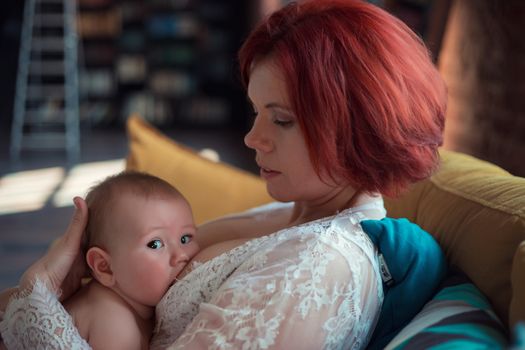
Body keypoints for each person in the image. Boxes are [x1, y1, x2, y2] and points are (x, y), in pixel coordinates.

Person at [0, 0, 447, 349]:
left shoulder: (314, 270)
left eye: (282, 119)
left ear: (358, 126)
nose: (253, 138)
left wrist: (36, 297)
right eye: (257, 113)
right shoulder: (296, 212)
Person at [60, 171, 199, 349]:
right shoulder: (114, 322)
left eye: (185, 238)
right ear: (105, 267)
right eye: (155, 244)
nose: (181, 255)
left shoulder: (134, 304)